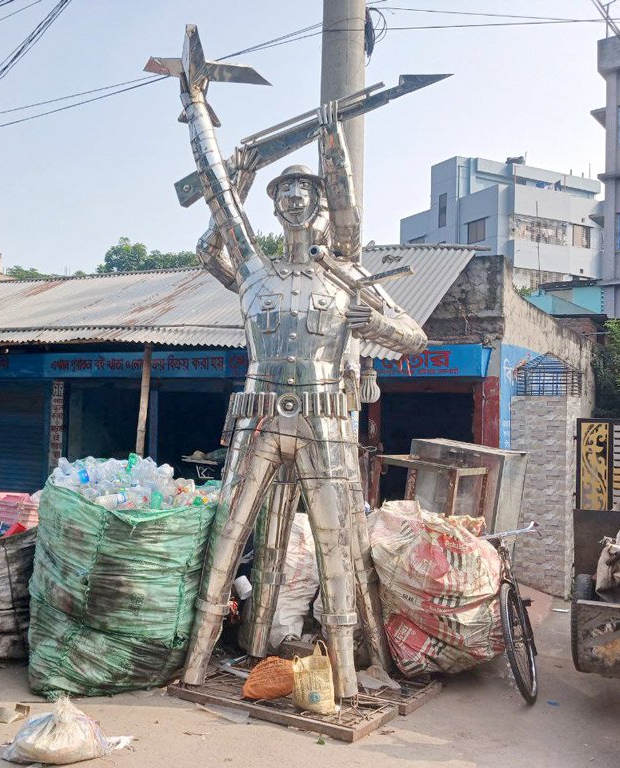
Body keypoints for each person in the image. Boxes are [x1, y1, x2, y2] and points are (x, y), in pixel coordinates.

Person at [169, 30, 427, 698]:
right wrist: (194, 103)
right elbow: (223, 198)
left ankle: (342, 684)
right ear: (275, 206)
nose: (295, 202)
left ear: (319, 210)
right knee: (225, 545)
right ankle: (195, 668)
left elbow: (414, 336)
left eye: (306, 195)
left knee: (339, 552)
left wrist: (379, 324)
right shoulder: (249, 269)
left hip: (325, 420)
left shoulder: (345, 276)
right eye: (284, 194)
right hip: (257, 413)